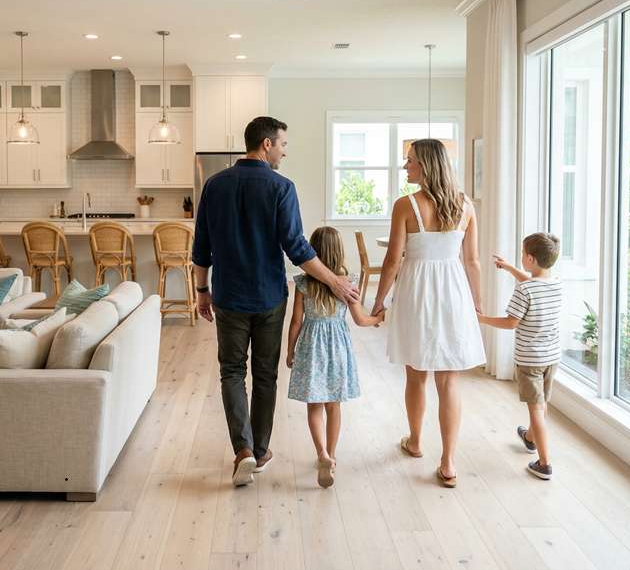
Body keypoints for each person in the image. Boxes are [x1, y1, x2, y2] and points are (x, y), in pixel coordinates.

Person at [192, 116, 359, 488]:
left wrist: (202, 291)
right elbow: (297, 248)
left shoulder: (214, 185)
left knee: (231, 372)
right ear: (266, 144)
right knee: (265, 374)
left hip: (228, 296)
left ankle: (243, 451)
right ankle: (261, 449)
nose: (284, 151)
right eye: (282, 144)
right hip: (268, 296)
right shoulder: (281, 187)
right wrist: (335, 281)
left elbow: (201, 247)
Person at [371, 138, 485, 488]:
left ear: (426, 165)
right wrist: (476, 303)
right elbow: (472, 261)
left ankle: (416, 441)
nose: (405, 166)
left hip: (417, 291)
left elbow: (393, 261)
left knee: (416, 373)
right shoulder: (465, 205)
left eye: (410, 161)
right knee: (449, 380)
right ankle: (448, 462)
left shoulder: (405, 205)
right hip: (453, 291)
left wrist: (379, 301)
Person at [286, 226, 384, 488]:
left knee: (314, 406)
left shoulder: (303, 283)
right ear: (339, 251)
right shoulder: (347, 283)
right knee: (333, 405)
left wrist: (290, 351)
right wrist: (378, 318)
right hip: (337, 350)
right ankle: (332, 454)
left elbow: (296, 322)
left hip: (311, 348)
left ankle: (321, 454)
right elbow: (360, 320)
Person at [478, 233, 563, 480]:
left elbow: (511, 322)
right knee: (542, 403)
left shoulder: (524, 290)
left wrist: (480, 319)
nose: (521, 258)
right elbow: (534, 282)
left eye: (522, 255)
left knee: (535, 409)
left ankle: (544, 464)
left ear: (530, 258)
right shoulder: (556, 283)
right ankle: (529, 438)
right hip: (551, 357)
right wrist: (509, 268)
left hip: (530, 360)